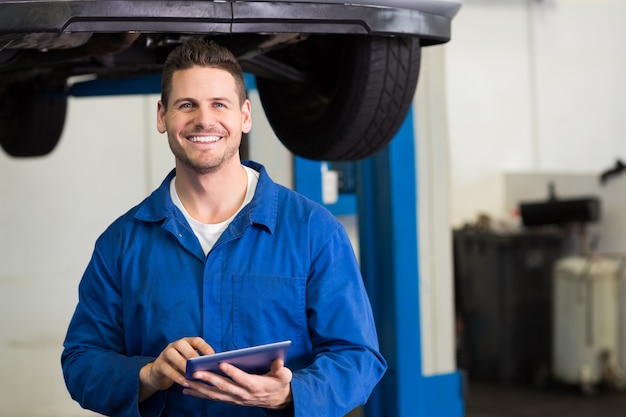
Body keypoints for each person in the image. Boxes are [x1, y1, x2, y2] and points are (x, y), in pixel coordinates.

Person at [61, 38, 386, 417]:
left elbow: (358, 357)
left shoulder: (313, 231)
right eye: (187, 105)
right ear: (162, 116)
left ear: (245, 116)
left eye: (219, 104)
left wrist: (291, 393)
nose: (204, 119)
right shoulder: (122, 243)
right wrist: (148, 375)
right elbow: (81, 362)